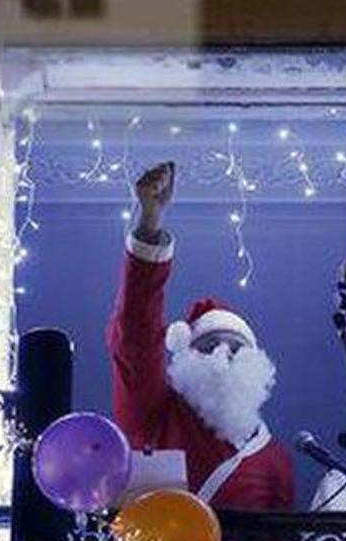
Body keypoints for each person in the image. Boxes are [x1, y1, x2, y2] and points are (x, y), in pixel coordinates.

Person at [107, 161, 294, 511]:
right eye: (209, 346)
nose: (223, 355)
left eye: (236, 348)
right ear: (187, 357)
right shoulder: (155, 415)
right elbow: (133, 336)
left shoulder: (276, 459)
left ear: (256, 365)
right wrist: (149, 224)